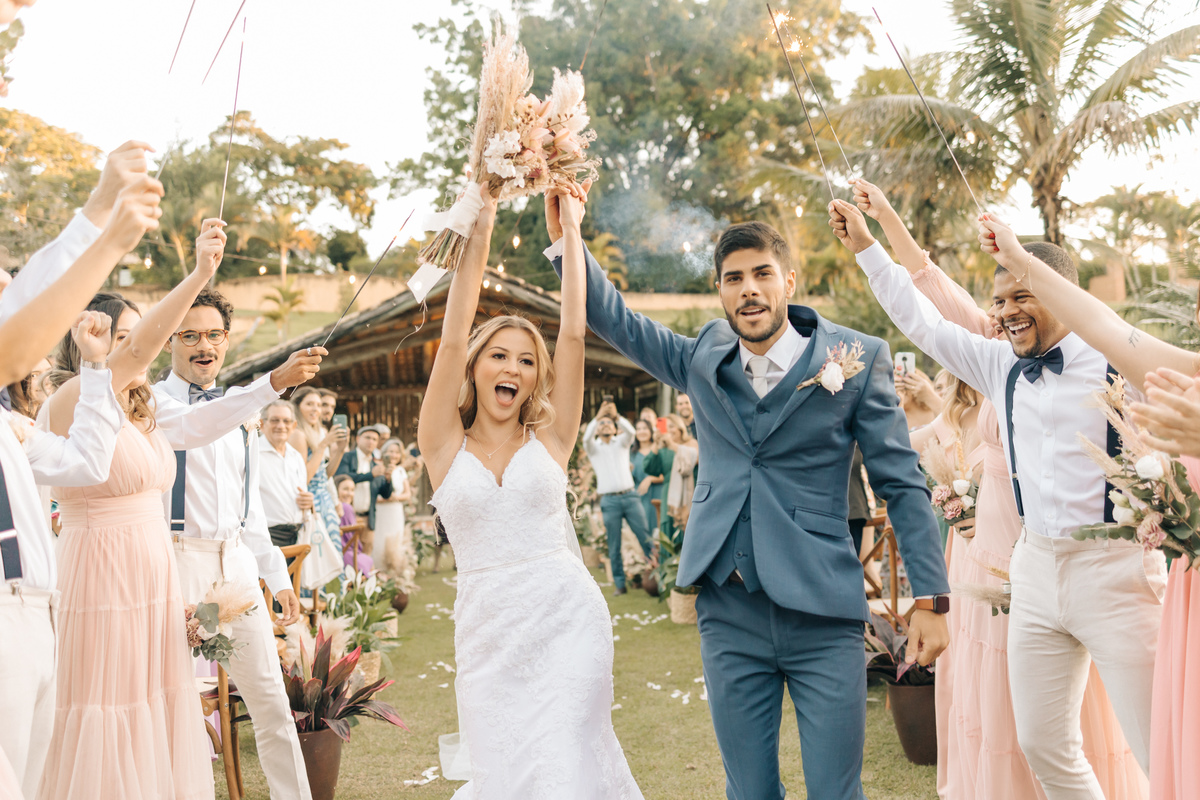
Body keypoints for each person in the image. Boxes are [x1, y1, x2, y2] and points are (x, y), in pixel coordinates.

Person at [545, 188, 949, 799]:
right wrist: (567, 238)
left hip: (823, 611)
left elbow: (902, 481)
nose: (749, 289)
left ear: (789, 280)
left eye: (762, 274)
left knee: (835, 792)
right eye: (733, 279)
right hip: (728, 613)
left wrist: (931, 600)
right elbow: (616, 319)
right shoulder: (701, 357)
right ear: (720, 290)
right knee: (749, 792)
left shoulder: (857, 359)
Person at [831, 196, 1163, 797]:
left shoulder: (1119, 361)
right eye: (999, 300)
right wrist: (867, 249)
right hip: (1033, 570)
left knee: (1156, 745)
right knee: (1043, 745)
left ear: (1062, 294)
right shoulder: (998, 364)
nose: (1005, 312)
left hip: (1115, 572)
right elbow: (922, 322)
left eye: (1021, 296)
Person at [420, 183, 643, 798]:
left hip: (568, 616)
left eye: (525, 361)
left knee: (564, 756)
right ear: (474, 366)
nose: (512, 369)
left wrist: (570, 232)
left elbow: (572, 335)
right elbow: (453, 332)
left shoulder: (552, 439)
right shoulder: (442, 444)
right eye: (499, 356)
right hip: (487, 629)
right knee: (507, 770)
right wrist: (483, 220)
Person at [976, 212, 1198, 800]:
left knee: (1170, 753)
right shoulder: (1186, 379)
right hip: (1171, 591)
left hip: (1137, 583)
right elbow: (1102, 325)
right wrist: (1018, 260)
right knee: (1152, 752)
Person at [37, 219, 234, 800]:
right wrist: (200, 273)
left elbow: (204, 424)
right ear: (89, 342)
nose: (136, 345)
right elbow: (147, 348)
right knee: (107, 700)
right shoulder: (73, 397)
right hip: (101, 574)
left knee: (153, 700)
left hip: (152, 575)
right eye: (122, 337)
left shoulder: (142, 409)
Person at [153, 276, 323, 800]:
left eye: (214, 334)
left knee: (270, 699)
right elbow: (198, 424)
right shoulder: (152, 402)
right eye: (189, 335)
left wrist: (277, 578)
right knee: (171, 702)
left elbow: (249, 513)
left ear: (227, 340)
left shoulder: (239, 409)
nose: (203, 345)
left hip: (236, 571)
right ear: (169, 341)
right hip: (179, 566)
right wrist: (273, 381)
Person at [0, 312, 125, 800]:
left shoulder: (12, 425)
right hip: (6, 612)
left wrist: (95, 367)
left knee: (29, 780)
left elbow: (88, 462)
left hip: (40, 613)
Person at [585, 402, 655, 595]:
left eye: (609, 423)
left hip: (630, 497)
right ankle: (620, 584)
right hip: (609, 501)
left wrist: (616, 417)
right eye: (602, 424)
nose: (605, 425)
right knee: (614, 544)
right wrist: (597, 417)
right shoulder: (593, 448)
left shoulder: (623, 443)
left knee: (645, 536)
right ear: (597, 429)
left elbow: (631, 432)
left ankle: (656, 576)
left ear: (615, 427)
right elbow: (585, 438)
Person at [291, 386, 350, 559]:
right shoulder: (298, 435)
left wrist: (340, 450)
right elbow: (305, 478)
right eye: (310, 404)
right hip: (310, 503)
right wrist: (324, 444)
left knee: (332, 558)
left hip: (325, 502)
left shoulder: (319, 432)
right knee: (319, 559)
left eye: (318, 405)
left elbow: (325, 475)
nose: (316, 409)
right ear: (298, 406)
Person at [259, 399, 314, 549]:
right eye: (274, 420)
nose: (281, 426)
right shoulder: (252, 454)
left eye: (286, 421)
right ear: (262, 424)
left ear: (294, 426)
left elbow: (301, 492)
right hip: (267, 537)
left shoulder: (296, 457)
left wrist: (308, 502)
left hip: (298, 535)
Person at [335, 424, 393, 550]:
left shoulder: (375, 465)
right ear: (358, 439)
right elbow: (341, 478)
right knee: (346, 553)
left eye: (374, 439)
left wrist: (388, 479)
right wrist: (370, 475)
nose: (371, 442)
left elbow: (385, 494)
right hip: (346, 517)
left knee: (366, 554)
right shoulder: (346, 457)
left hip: (367, 519)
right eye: (367, 438)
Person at [373, 438, 413, 577]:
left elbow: (407, 494)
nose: (394, 455)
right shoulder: (378, 469)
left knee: (395, 540)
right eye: (390, 451)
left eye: (397, 452)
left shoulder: (401, 471)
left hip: (395, 511)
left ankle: (394, 572)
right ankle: (379, 573)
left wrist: (395, 497)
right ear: (384, 452)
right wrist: (383, 499)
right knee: (379, 540)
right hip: (380, 511)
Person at [631, 418, 665, 537]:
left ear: (651, 431)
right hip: (640, 496)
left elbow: (668, 473)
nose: (641, 431)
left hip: (659, 493)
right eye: (638, 429)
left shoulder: (659, 449)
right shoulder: (631, 454)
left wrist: (650, 479)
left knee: (660, 530)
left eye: (644, 428)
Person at [334, 474, 374, 574]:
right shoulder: (346, 507)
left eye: (352, 490)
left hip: (335, 553)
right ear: (335, 489)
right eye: (345, 489)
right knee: (369, 561)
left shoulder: (331, 507)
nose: (349, 493)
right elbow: (351, 539)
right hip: (345, 553)